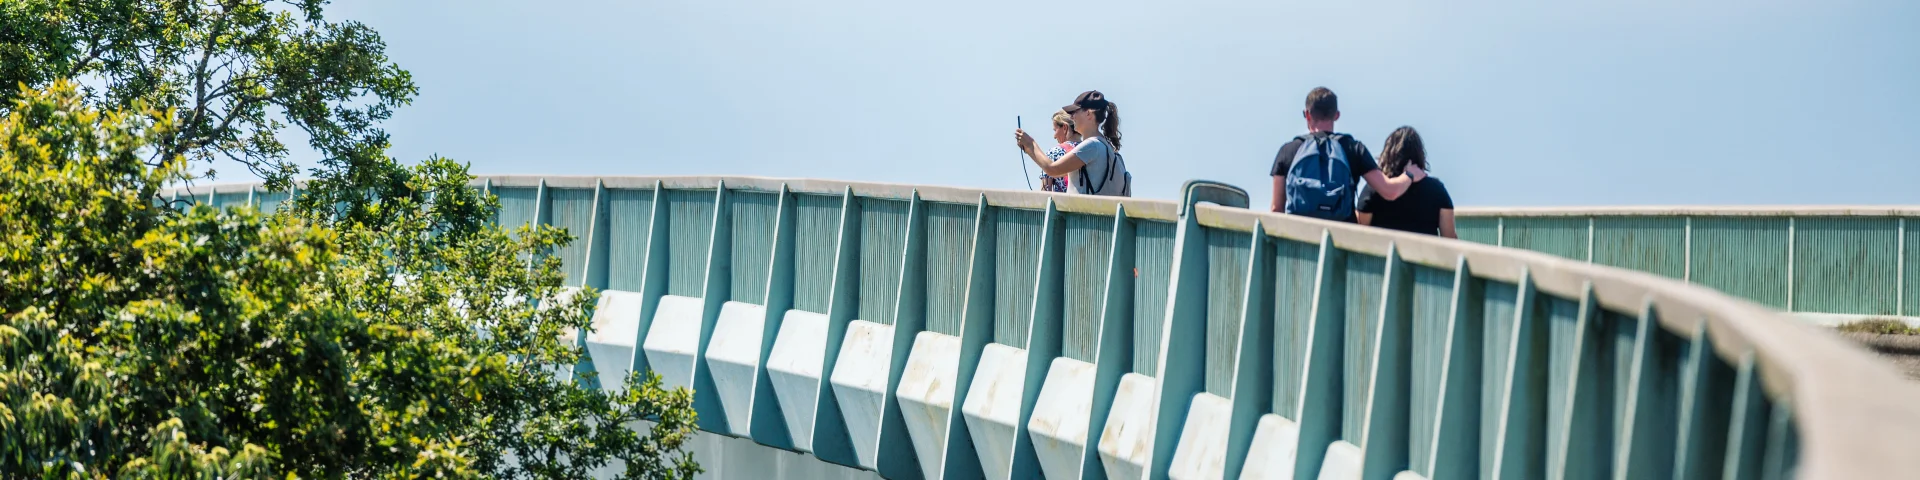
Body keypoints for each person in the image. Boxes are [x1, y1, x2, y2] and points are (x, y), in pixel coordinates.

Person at [1270, 87, 1423, 221]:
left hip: (1299, 246)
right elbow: (1389, 191)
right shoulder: (1354, 149)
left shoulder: (1288, 151)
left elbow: (1276, 209)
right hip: (1340, 244)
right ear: (1336, 115)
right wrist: (1409, 175)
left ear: (1307, 114)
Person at [1015, 90, 1131, 196]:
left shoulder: (1091, 146)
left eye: (1075, 112)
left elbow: (1053, 170)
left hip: (1083, 218)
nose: (1071, 117)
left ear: (1088, 114)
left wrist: (1030, 145)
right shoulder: (1106, 147)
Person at [1357, 127, 1456, 237]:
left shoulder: (1375, 188)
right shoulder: (1437, 190)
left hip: (1383, 252)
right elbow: (1449, 237)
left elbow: (1359, 231)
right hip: (1423, 253)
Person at [1026, 110, 1081, 192]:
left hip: (1064, 204)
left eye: (1055, 130)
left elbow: (1045, 191)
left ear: (1065, 128)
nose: (1054, 136)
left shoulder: (1054, 153)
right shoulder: (1090, 149)